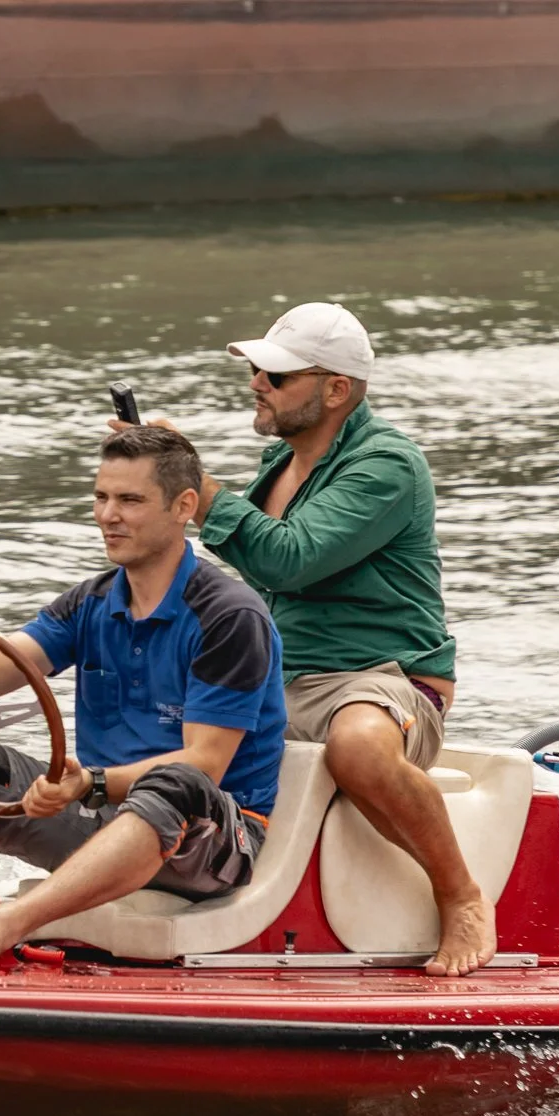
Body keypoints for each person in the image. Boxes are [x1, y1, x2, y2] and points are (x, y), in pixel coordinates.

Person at [128, 301, 493, 976]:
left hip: (383, 679)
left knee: (357, 745)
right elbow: (245, 563)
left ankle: (462, 895)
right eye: (257, 371)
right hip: (281, 681)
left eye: (276, 375)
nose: (257, 384)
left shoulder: (388, 465)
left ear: (335, 389)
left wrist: (196, 486)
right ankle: (146, 893)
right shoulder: (281, 463)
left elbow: (288, 558)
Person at [0, 425, 287, 972]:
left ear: (184, 506)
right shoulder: (92, 601)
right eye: (101, 497)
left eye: (130, 500)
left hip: (216, 838)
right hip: (101, 810)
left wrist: (91, 783)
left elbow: (205, 764)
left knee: (176, 781)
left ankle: (3, 924)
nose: (108, 515)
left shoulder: (229, 615)